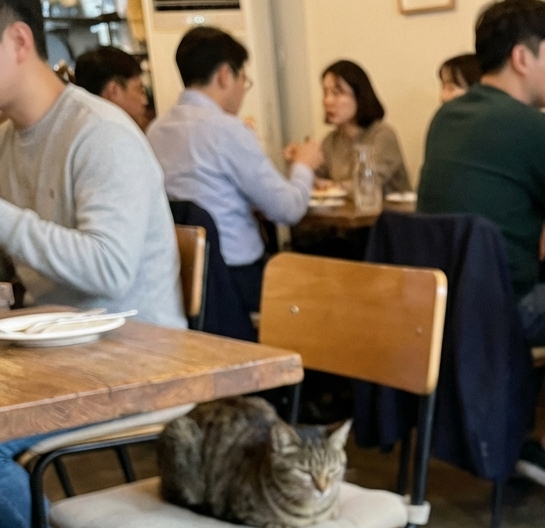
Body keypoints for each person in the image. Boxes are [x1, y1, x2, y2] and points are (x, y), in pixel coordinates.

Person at [0, 0, 185, 528]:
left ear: (18, 39)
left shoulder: (98, 132)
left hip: (143, 357)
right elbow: (35, 271)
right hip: (60, 347)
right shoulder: (9, 140)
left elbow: (107, 269)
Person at [418, 0, 545, 491]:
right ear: (524, 58)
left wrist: (539, 219)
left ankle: (541, 439)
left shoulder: (446, 118)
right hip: (505, 309)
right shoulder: (532, 128)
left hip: (444, 311)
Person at [148, 26, 323, 314]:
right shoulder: (226, 130)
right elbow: (287, 209)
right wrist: (304, 165)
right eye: (244, 78)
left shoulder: (156, 131)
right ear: (225, 75)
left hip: (177, 277)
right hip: (236, 279)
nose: (243, 88)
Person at [310, 60, 410, 195]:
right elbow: (316, 182)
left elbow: (367, 185)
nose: (328, 101)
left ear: (359, 96)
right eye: (325, 92)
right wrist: (302, 163)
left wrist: (331, 186)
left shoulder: (382, 134)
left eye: (337, 92)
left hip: (389, 214)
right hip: (347, 215)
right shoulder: (330, 141)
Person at [73, 45, 150, 130]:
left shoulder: (78, 131)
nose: (144, 101)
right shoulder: (116, 139)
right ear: (113, 91)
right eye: (140, 90)